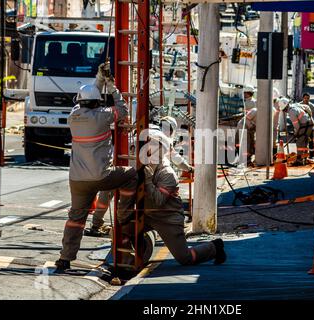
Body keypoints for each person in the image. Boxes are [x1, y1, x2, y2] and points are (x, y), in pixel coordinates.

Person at [55, 62, 137, 272]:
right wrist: (110, 84)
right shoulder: (103, 115)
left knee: (76, 218)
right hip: (101, 176)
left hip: (77, 180)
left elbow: (87, 100)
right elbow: (123, 109)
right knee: (132, 175)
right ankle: (124, 214)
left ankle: (65, 258)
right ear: (98, 101)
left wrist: (99, 79)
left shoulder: (74, 116)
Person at [84, 115, 194, 237]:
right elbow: (177, 160)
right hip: (140, 176)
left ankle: (96, 224)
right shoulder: (163, 140)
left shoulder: (139, 131)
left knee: (106, 194)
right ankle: (126, 228)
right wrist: (189, 169)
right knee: (140, 200)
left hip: (121, 169)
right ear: (172, 130)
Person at [141, 129, 226, 266]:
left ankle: (214, 247)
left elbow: (158, 201)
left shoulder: (167, 174)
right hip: (147, 214)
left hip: (167, 219)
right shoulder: (145, 166)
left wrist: (148, 180)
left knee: (185, 258)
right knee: (121, 230)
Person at [278, 97, 314, 166]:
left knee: (299, 142)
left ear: (285, 108)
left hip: (304, 125)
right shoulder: (295, 105)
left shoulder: (291, 112)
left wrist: (296, 134)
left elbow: (297, 126)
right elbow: (307, 107)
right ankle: (304, 158)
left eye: (283, 110)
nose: (284, 111)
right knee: (304, 141)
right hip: (309, 124)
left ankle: (299, 160)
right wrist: (310, 118)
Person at [299, 93, 314, 157]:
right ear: (303, 98)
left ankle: (311, 154)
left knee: (311, 140)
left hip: (310, 125)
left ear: (309, 98)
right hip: (302, 126)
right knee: (302, 140)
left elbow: (313, 116)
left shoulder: (312, 106)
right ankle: (303, 154)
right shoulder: (299, 105)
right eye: (305, 98)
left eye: (308, 98)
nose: (306, 99)